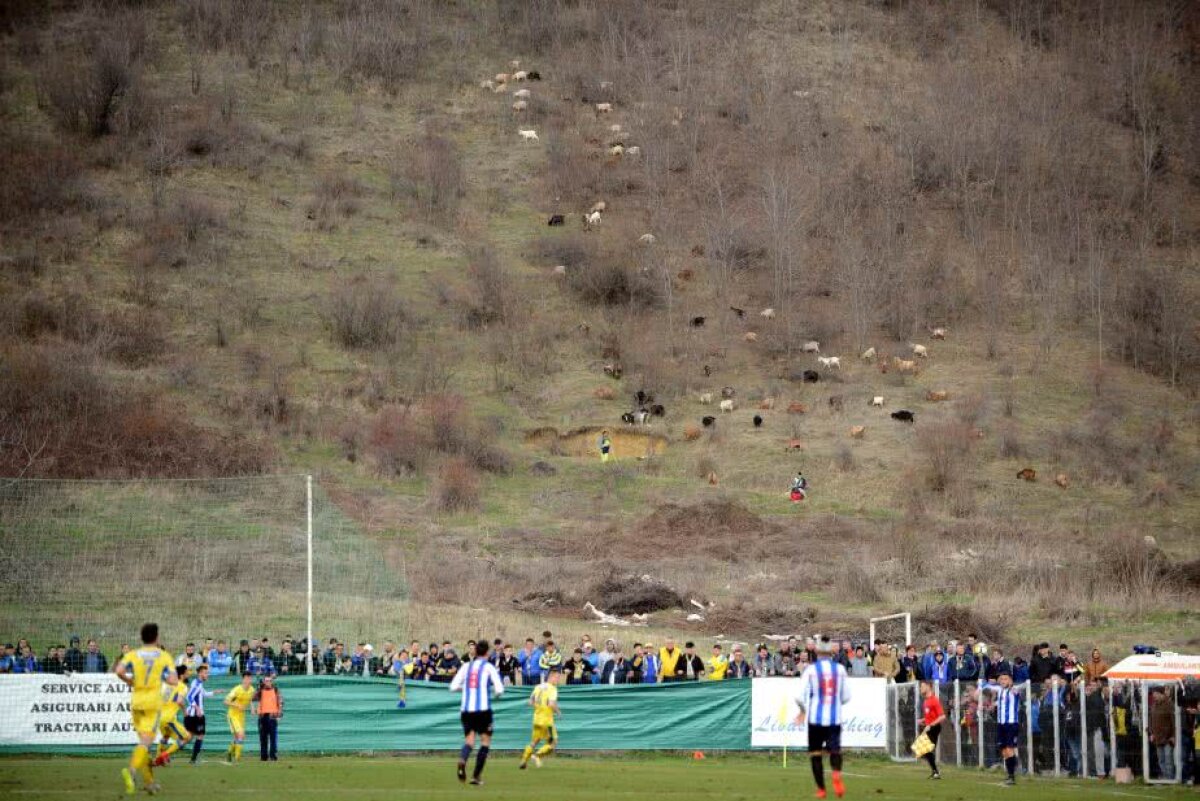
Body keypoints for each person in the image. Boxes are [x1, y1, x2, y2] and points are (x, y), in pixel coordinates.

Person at [115, 623, 178, 796]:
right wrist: (162, 676)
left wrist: (131, 682)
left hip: (136, 703)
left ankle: (149, 783)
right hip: (152, 705)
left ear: (141, 638)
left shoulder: (133, 654)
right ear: (157, 637)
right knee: (145, 743)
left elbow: (119, 670)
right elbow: (173, 680)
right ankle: (131, 771)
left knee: (144, 745)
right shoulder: (163, 656)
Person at [795, 637, 852, 800]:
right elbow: (847, 697)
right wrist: (835, 702)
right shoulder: (840, 669)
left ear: (817, 652)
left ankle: (821, 789)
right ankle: (836, 774)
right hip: (834, 719)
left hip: (815, 718)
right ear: (831, 651)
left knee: (815, 754)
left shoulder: (811, 670)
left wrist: (802, 710)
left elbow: (798, 697)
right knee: (835, 750)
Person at [450, 639, 504, 786]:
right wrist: (495, 694)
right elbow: (499, 689)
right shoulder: (488, 667)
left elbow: (453, 686)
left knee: (469, 741)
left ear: (475, 651)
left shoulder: (466, 666)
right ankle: (475, 776)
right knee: (485, 742)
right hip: (483, 710)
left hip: (466, 710)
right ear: (487, 652)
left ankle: (463, 759)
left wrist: (466, 689)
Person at [977, 671, 1025, 786]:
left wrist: (1015, 688)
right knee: (1004, 750)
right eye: (1001, 679)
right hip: (1001, 724)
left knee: (1009, 749)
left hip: (1011, 724)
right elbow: (987, 686)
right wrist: (980, 684)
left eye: (1006, 679)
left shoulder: (1014, 690)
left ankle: (1012, 776)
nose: (1003, 681)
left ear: (1010, 680)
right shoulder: (1000, 690)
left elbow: (1023, 686)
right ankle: (1010, 773)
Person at [520, 668, 560, 769]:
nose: (558, 680)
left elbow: (530, 702)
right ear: (551, 676)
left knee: (535, 741)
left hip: (536, 719)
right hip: (547, 721)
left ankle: (524, 761)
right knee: (553, 743)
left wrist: (538, 707)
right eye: (557, 677)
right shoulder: (552, 689)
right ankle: (536, 756)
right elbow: (551, 704)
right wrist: (558, 712)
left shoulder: (538, 687)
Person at [153, 665, 192, 766]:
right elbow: (179, 701)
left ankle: (157, 758)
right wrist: (185, 712)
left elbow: (163, 700)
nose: (189, 673)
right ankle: (164, 755)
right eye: (187, 672)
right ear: (182, 674)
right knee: (187, 737)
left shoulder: (170, 685)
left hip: (160, 717)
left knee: (166, 736)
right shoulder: (183, 686)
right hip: (169, 718)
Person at [183, 663, 216, 764]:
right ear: (200, 673)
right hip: (196, 715)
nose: (207, 675)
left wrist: (214, 692)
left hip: (195, 714)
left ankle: (193, 758)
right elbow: (189, 697)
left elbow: (203, 694)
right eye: (206, 673)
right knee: (197, 736)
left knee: (191, 736)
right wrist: (197, 708)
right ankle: (193, 759)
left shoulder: (198, 683)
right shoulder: (197, 684)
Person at [224, 672, 255, 763]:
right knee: (241, 734)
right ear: (243, 679)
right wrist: (236, 705)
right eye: (246, 678)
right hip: (233, 715)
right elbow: (225, 701)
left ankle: (229, 752)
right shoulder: (236, 690)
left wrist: (252, 709)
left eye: (249, 678)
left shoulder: (251, 689)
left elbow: (250, 700)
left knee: (239, 737)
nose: (248, 680)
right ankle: (237, 758)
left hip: (241, 716)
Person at [918, 681, 945, 779]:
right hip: (929, 726)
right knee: (923, 749)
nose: (920, 688)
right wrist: (923, 720)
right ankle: (935, 772)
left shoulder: (934, 700)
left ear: (929, 687)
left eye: (922, 686)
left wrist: (931, 725)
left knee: (924, 749)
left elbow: (942, 716)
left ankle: (936, 772)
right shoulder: (926, 701)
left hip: (934, 727)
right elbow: (931, 716)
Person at [253, 674, 283, 761]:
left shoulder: (276, 690)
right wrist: (259, 687)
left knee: (273, 738)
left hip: (273, 716)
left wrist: (279, 716)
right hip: (262, 717)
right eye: (266, 680)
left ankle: (273, 756)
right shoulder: (260, 690)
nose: (268, 682)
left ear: (272, 681)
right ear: (264, 681)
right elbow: (253, 698)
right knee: (263, 738)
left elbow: (280, 702)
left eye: (269, 680)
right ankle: (263, 757)